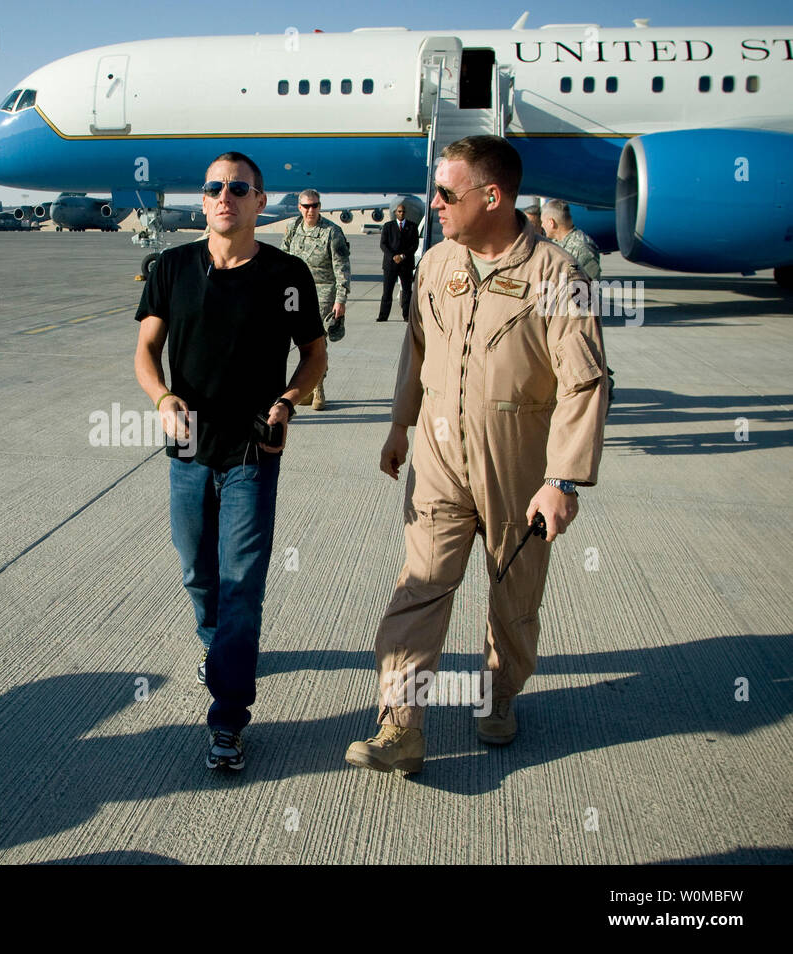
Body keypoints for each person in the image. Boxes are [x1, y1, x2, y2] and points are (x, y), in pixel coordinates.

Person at [344, 136, 608, 774]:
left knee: (512, 598)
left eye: (446, 192)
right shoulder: (436, 262)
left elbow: (585, 381)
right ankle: (401, 725)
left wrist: (564, 479)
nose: (432, 202)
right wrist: (399, 425)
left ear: (492, 197)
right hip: (436, 458)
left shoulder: (554, 274)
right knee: (419, 588)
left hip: (516, 467)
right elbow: (418, 348)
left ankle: (500, 694)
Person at [135, 152, 326, 770]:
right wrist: (162, 396)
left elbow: (315, 354)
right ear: (204, 197)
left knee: (241, 583)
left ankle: (227, 716)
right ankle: (219, 650)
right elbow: (146, 349)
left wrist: (289, 400)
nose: (225, 197)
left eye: (238, 188)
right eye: (215, 187)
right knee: (197, 570)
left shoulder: (287, 273)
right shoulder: (170, 266)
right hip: (188, 447)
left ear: (260, 201)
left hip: (251, 447)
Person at [281, 189, 349, 410]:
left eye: (315, 206)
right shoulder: (292, 228)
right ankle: (306, 389)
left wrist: (341, 299)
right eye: (306, 206)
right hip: (294, 293)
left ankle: (318, 387)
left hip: (323, 293)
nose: (311, 210)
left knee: (317, 343)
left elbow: (342, 268)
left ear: (320, 206)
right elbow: (283, 258)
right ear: (299, 207)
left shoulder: (332, 232)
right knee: (295, 341)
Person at [377, 202, 419, 322]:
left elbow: (414, 245)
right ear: (395, 212)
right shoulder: (388, 226)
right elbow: (383, 244)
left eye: (403, 212)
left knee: (407, 291)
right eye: (399, 211)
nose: (401, 214)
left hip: (406, 264)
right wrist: (393, 256)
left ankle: (407, 316)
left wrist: (403, 255)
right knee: (387, 291)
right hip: (390, 264)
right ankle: (383, 316)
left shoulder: (412, 227)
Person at [541, 198, 602, 280]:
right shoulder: (555, 243)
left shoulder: (583, 248)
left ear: (551, 223)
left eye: (543, 222)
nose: (542, 226)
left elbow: (591, 285)